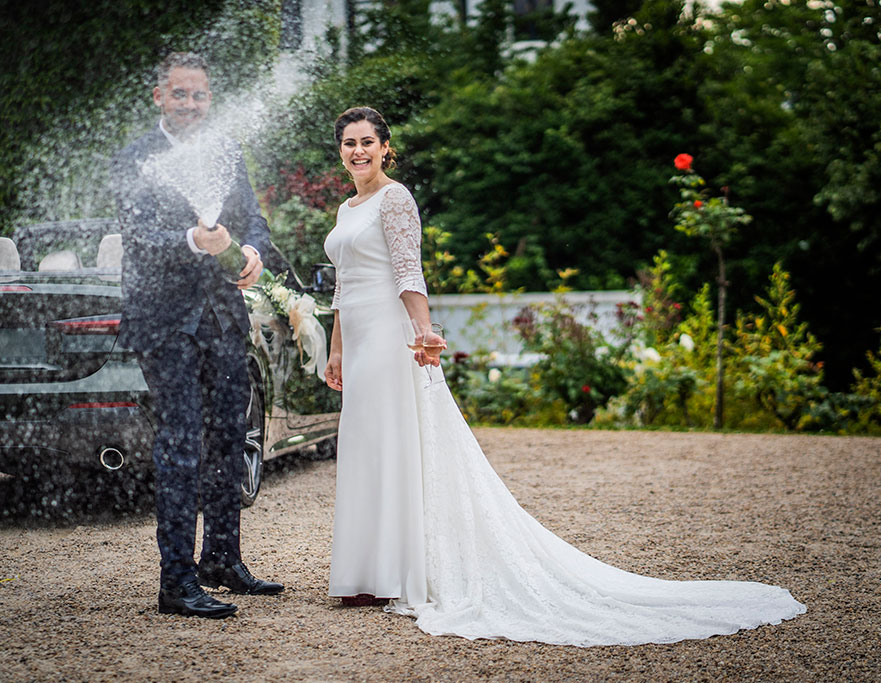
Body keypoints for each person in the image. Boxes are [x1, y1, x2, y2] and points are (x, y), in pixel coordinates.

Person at [322, 106, 805, 645]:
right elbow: (343, 287)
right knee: (364, 445)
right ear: (340, 149)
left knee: (395, 445)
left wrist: (424, 331)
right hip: (358, 343)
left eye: (368, 142)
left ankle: (398, 573)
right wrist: (337, 350)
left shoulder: (396, 198)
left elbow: (409, 270)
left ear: (386, 147)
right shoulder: (346, 209)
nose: (358, 151)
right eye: (349, 143)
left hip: (393, 338)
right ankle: (364, 573)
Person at [111, 51, 283, 619]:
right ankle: (175, 582)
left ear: (210, 99)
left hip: (222, 318)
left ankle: (222, 559)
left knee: (229, 439)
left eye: (199, 95)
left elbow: (250, 216)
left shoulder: (226, 150)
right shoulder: (135, 156)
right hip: (164, 321)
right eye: (179, 94)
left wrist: (252, 250)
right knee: (182, 443)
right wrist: (191, 239)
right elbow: (138, 236)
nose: (190, 104)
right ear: (158, 96)